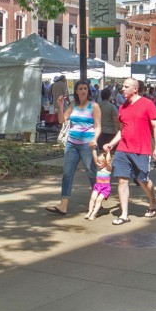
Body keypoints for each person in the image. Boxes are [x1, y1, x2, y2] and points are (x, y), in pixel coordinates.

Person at [103, 77, 156, 225]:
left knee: (142, 179)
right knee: (122, 180)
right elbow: (122, 131)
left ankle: (153, 201)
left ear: (135, 89)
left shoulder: (148, 104)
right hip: (123, 149)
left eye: (126, 86)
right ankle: (124, 214)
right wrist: (111, 143)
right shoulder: (122, 108)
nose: (123, 89)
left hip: (142, 149)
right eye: (123, 86)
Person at [47, 80, 101, 217]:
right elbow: (61, 120)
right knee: (67, 173)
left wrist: (95, 139)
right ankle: (63, 205)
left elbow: (98, 126)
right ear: (76, 91)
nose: (83, 91)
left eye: (85, 88)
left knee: (91, 172)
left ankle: (98, 200)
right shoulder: (73, 105)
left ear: (88, 91)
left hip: (87, 144)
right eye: (80, 89)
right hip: (72, 144)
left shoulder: (94, 106)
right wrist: (60, 106)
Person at [85, 148, 113, 221]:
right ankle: (90, 211)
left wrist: (108, 152)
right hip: (97, 186)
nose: (98, 163)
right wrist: (94, 149)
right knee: (92, 198)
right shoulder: (99, 167)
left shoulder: (107, 169)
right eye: (98, 162)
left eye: (100, 162)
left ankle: (94, 213)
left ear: (105, 163)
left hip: (105, 188)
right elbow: (95, 157)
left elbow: (108, 160)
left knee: (98, 200)